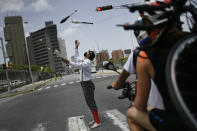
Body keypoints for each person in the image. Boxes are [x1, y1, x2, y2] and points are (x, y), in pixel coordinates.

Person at [126, 1, 189, 130]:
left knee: (132, 112)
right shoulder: (190, 40)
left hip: (180, 123)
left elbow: (140, 106)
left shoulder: (144, 56)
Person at [61, 40, 101, 129]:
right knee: (89, 102)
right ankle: (95, 119)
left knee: (91, 102)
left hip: (87, 84)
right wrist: (76, 47)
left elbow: (78, 65)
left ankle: (97, 121)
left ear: (89, 55)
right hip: (85, 84)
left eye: (88, 52)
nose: (86, 52)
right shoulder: (85, 60)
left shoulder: (87, 62)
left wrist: (67, 61)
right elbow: (76, 58)